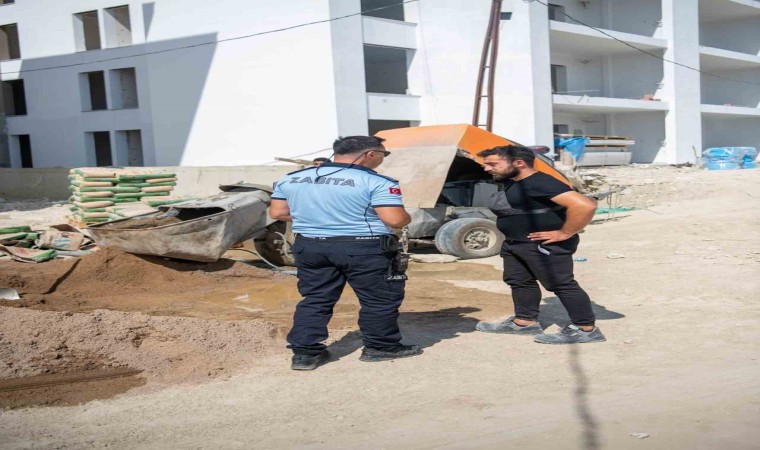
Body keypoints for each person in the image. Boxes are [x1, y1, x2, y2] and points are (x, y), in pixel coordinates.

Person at [269, 136, 422, 370]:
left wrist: (318, 218)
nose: (383, 158)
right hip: (364, 248)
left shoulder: (292, 178)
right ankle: (380, 347)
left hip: (310, 246)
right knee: (379, 299)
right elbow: (395, 219)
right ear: (370, 154)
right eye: (384, 154)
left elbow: (278, 212)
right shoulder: (377, 182)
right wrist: (406, 217)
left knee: (316, 298)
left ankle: (305, 354)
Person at [474, 145, 605, 344]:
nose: (487, 168)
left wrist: (565, 233)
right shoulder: (513, 181)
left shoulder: (540, 182)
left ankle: (586, 328)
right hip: (516, 243)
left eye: (493, 164)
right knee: (519, 281)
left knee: (561, 284)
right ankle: (524, 322)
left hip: (541, 245)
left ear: (519, 163)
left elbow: (585, 204)